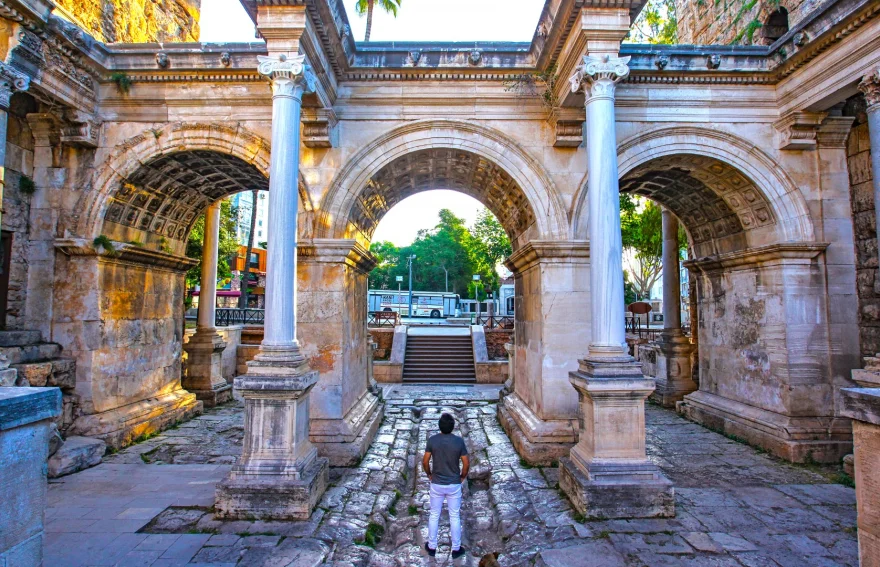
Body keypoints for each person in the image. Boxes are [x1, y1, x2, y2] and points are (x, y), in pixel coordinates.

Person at [422, 413, 469, 559]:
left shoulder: (433, 440)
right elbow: (466, 463)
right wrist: (462, 477)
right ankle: (456, 549)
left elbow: (425, 461)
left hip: (436, 483)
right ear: (453, 426)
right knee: (454, 515)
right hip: (454, 483)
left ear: (439, 426)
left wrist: (429, 474)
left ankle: (431, 546)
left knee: (434, 514)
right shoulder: (459, 442)